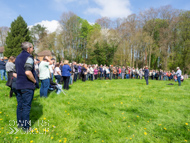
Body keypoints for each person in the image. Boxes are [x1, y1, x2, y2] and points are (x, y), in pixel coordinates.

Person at [15, 42, 36, 131]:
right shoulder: (29, 57)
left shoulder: (17, 57)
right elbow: (27, 72)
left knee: (20, 105)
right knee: (26, 106)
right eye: (32, 48)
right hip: (27, 85)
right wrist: (34, 81)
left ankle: (20, 124)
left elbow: (15, 72)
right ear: (28, 48)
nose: (33, 49)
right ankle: (26, 127)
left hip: (18, 85)